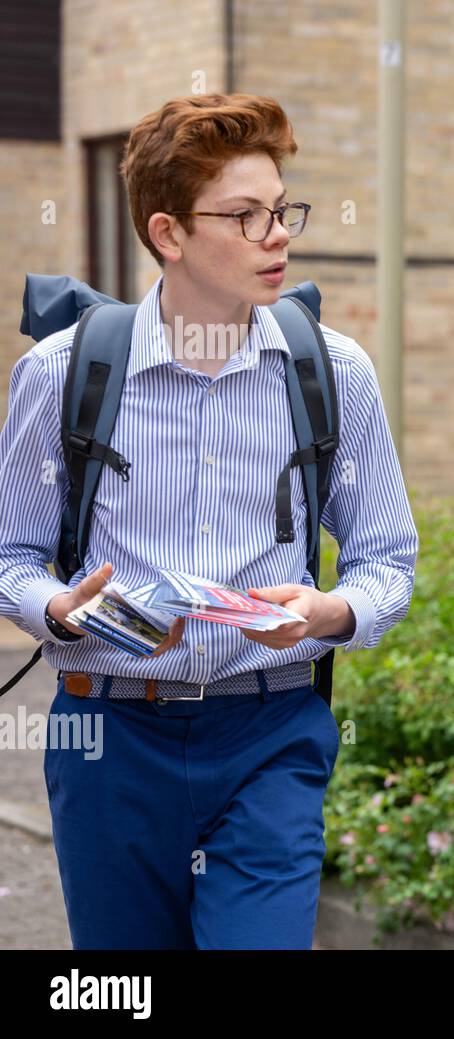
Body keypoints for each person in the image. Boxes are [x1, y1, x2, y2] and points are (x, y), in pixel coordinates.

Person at [0, 93, 418, 949]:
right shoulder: (61, 374)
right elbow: (11, 554)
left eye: (282, 210)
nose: (278, 235)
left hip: (270, 734)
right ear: (168, 233)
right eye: (245, 215)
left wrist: (330, 611)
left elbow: (387, 561)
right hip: (105, 734)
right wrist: (59, 609)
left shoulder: (334, 373)